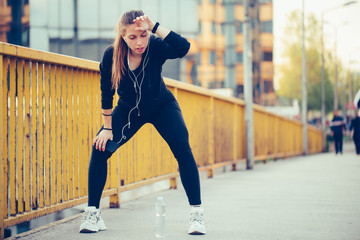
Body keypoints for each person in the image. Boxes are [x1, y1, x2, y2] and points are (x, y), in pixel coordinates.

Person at [78, 10, 206, 235]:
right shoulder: (111, 55)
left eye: (143, 35)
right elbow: (106, 94)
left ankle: (197, 215)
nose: (140, 42)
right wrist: (107, 129)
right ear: (122, 36)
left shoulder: (155, 46)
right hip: (129, 112)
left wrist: (154, 26)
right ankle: (93, 214)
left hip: (162, 106)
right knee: (99, 148)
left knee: (183, 150)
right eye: (133, 37)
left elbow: (183, 47)